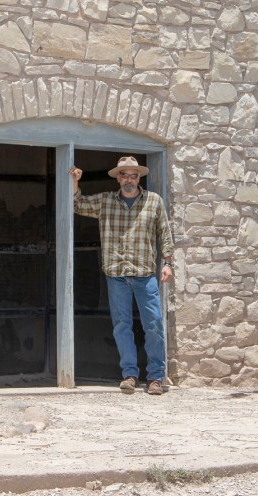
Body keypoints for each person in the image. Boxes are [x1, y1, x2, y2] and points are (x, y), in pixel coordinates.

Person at [70, 156, 174, 396]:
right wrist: (75, 181)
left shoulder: (154, 201)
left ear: (139, 178)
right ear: (118, 178)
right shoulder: (106, 201)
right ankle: (129, 375)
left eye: (133, 175)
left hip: (145, 274)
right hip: (116, 274)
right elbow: (77, 204)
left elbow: (164, 233)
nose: (129, 179)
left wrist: (167, 263)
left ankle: (156, 377)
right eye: (124, 175)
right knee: (122, 326)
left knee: (154, 324)